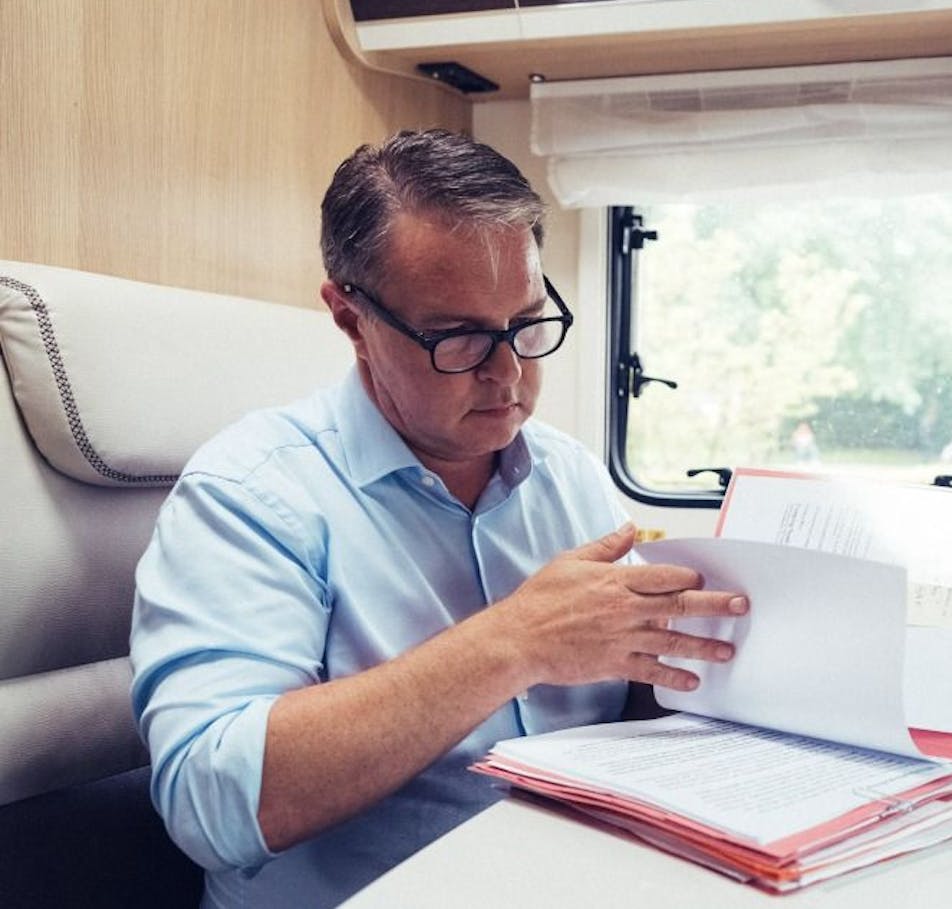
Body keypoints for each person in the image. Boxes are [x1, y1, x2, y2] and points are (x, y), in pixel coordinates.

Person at [128, 130, 746, 908]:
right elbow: (210, 807)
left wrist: (709, 650)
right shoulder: (249, 495)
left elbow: (629, 693)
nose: (509, 373)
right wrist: (513, 643)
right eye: (459, 338)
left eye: (527, 324)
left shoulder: (572, 476)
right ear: (351, 318)